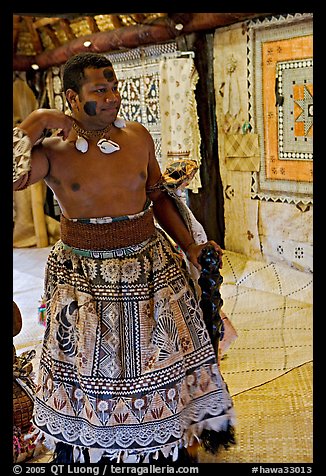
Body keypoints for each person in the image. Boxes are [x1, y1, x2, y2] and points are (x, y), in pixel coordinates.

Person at [13, 52, 235, 464]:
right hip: (84, 276)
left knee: (162, 355)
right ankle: (96, 446)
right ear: (73, 99)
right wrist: (35, 122)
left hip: (150, 265)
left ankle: (168, 440)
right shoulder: (51, 151)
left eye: (115, 88)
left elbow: (156, 197)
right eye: (101, 90)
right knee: (95, 366)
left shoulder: (137, 137)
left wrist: (190, 246)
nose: (113, 97)